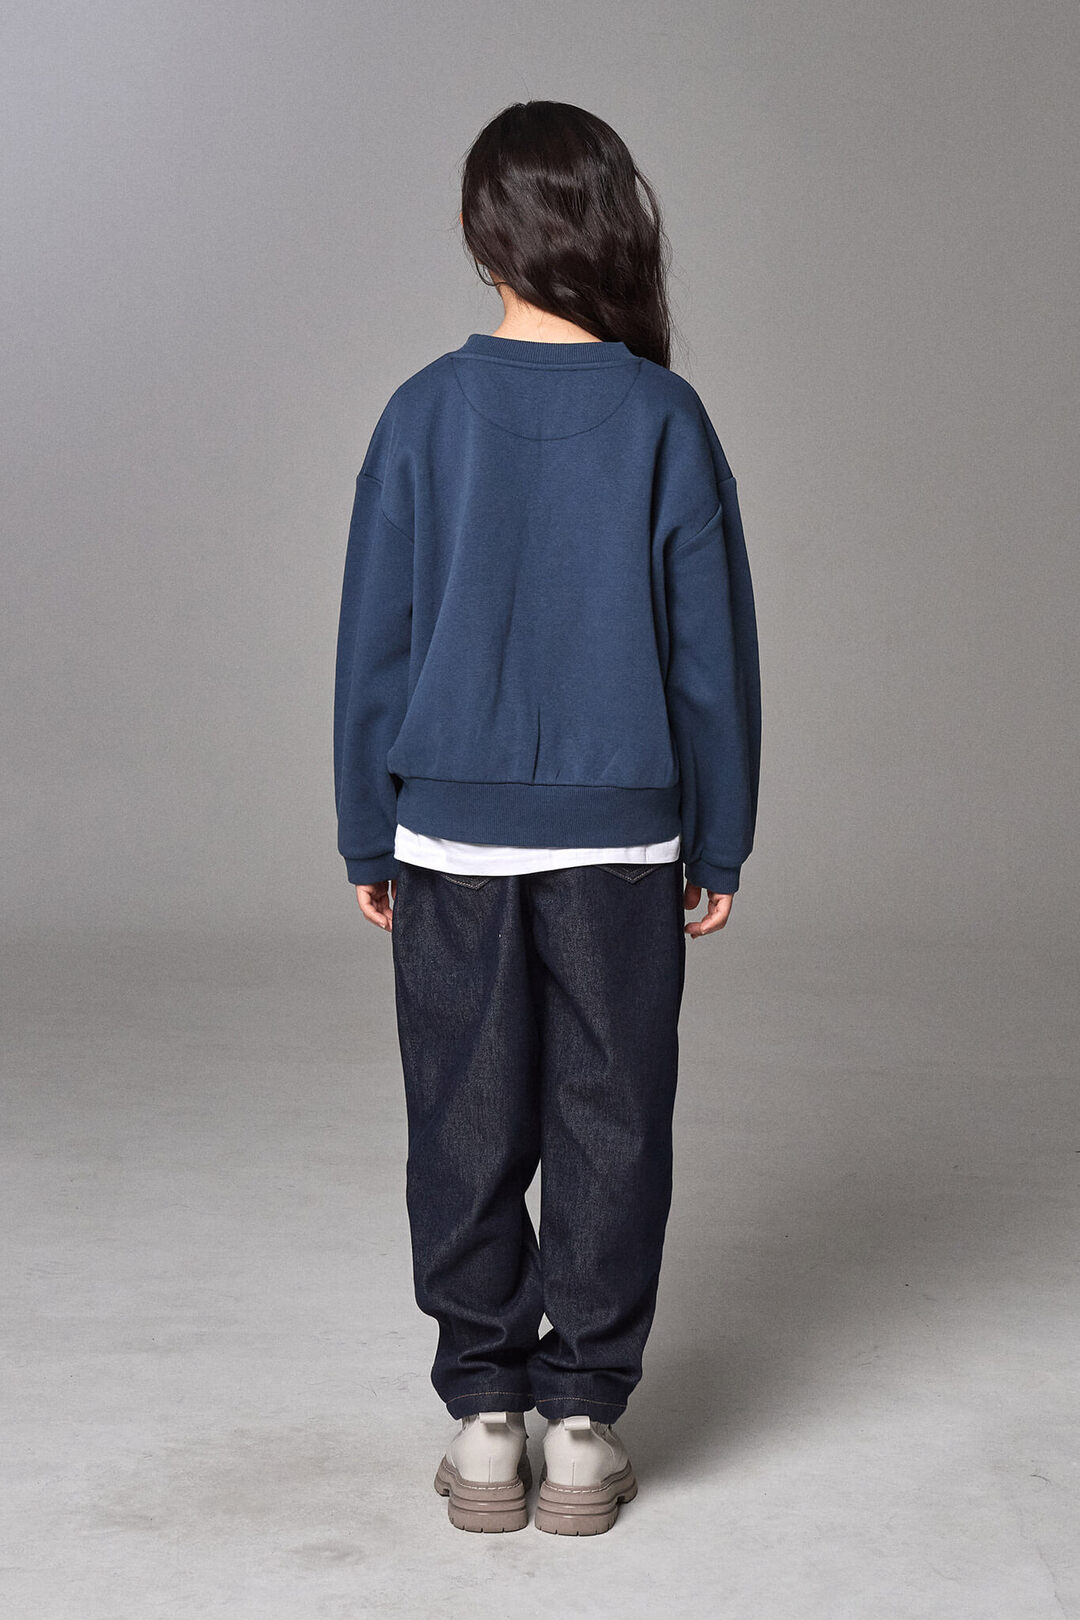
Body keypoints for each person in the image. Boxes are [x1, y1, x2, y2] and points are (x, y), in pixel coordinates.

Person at [333, 99, 761, 1536]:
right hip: (623, 838)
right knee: (612, 1115)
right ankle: (582, 1423)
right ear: (614, 225)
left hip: (449, 831)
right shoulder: (664, 418)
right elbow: (710, 653)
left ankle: (484, 1423)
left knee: (462, 1116)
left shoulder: (420, 413)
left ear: (482, 237)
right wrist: (720, 832)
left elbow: (375, 645)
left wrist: (367, 825)